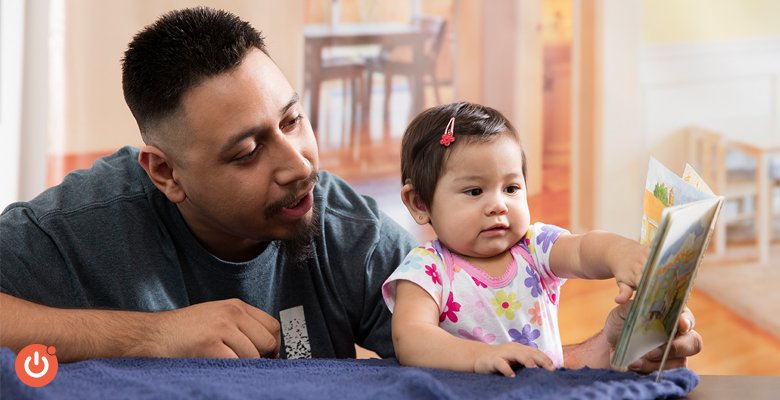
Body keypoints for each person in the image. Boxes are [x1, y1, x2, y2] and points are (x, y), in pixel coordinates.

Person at [0, 7, 701, 370]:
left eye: (294, 120)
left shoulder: (351, 233)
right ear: (165, 173)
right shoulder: (89, 220)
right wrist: (149, 337)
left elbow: (476, 358)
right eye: (247, 151)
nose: (298, 164)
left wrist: (597, 351)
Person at [381, 102, 671, 376]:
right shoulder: (427, 269)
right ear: (420, 203)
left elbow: (582, 251)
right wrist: (479, 356)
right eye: (474, 191)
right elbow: (410, 337)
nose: (499, 205)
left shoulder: (534, 247)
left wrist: (619, 252)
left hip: (545, 390)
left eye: (511, 188)